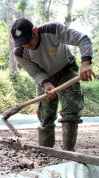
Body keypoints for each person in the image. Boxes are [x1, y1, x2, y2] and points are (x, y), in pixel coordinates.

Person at [11, 18, 94, 151]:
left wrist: (86, 63)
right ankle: (45, 153)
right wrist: (46, 83)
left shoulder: (53, 30)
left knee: (70, 112)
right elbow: (35, 72)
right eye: (23, 43)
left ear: (35, 31)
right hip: (45, 77)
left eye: (28, 40)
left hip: (66, 70)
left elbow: (83, 39)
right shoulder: (20, 52)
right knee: (45, 116)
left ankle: (68, 153)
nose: (26, 45)